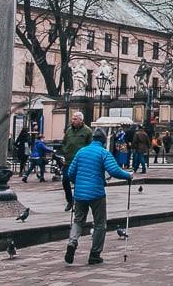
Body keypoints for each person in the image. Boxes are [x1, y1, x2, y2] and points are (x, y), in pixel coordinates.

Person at [64, 129, 133, 266]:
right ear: (103, 141)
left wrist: (77, 183)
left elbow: (71, 172)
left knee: (78, 221)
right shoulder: (103, 153)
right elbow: (114, 170)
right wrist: (128, 176)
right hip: (96, 193)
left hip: (80, 194)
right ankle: (94, 255)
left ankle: (72, 242)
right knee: (100, 224)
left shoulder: (81, 152)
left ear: (92, 139)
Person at [61, 111, 93, 212]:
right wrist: (65, 151)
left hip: (81, 161)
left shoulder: (87, 131)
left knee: (78, 183)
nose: (73, 120)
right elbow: (64, 142)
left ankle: (77, 203)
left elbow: (90, 145)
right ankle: (70, 200)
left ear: (81, 120)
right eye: (72, 118)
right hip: (68, 160)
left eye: (75, 119)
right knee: (65, 180)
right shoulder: (69, 130)